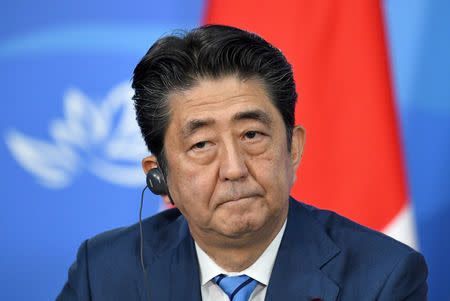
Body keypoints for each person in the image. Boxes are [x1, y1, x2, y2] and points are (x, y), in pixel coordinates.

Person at [57, 25, 428, 301]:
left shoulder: (383, 277)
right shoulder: (104, 273)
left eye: (252, 135)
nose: (234, 168)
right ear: (159, 175)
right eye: (201, 144)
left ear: (292, 149)